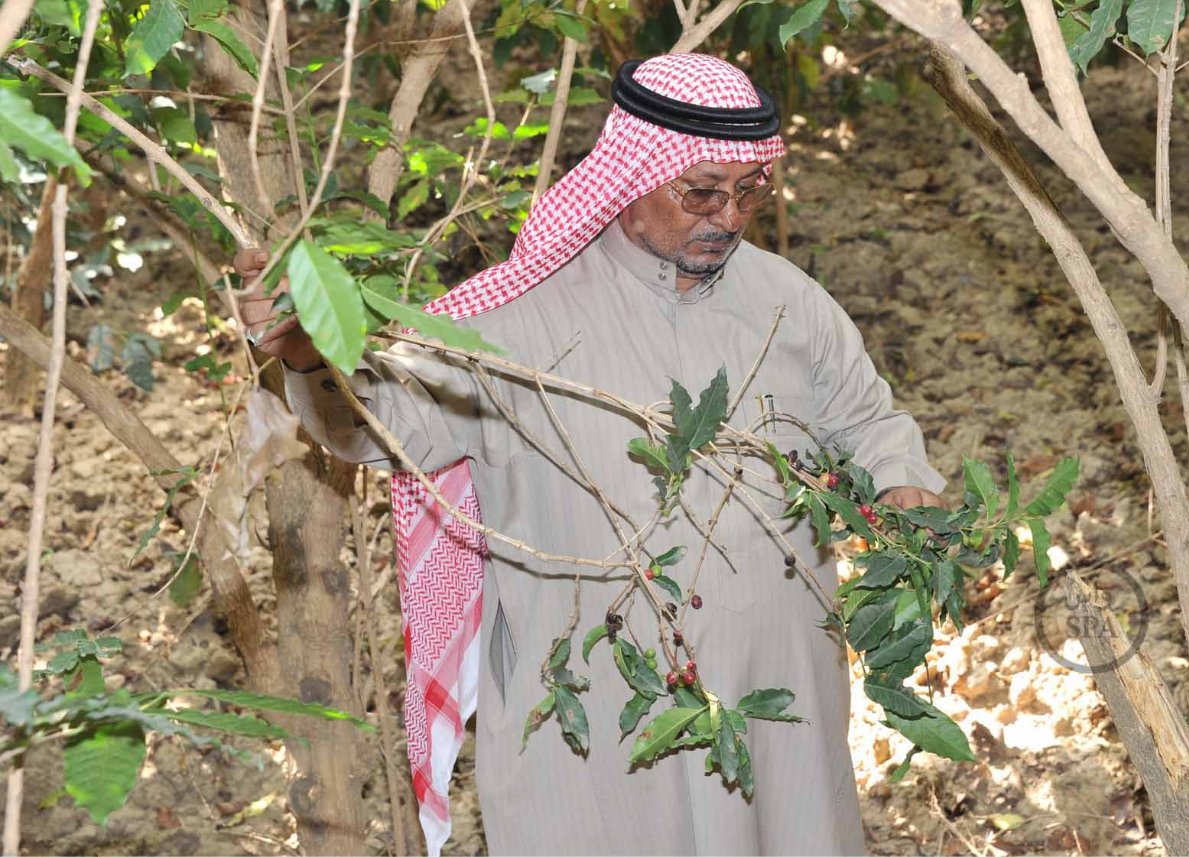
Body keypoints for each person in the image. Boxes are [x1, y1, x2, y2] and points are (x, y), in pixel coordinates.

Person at [237, 53, 945, 856]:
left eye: (750, 191)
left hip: (778, 695)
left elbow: (868, 419)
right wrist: (306, 351)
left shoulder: (789, 302)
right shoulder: (515, 324)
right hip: (600, 719)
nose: (730, 215)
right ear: (633, 173)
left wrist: (899, 480)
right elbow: (379, 424)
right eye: (703, 190)